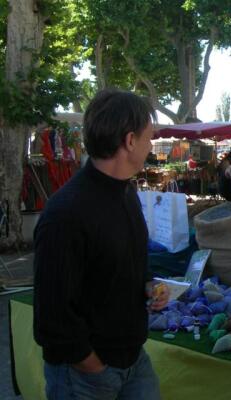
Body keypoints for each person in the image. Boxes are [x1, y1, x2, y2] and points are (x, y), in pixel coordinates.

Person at [33, 89, 169, 400]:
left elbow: (126, 261)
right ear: (130, 141)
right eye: (149, 137)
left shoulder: (126, 193)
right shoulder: (66, 213)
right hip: (85, 374)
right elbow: (52, 317)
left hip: (133, 361)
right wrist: (92, 366)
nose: (152, 145)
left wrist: (148, 285)